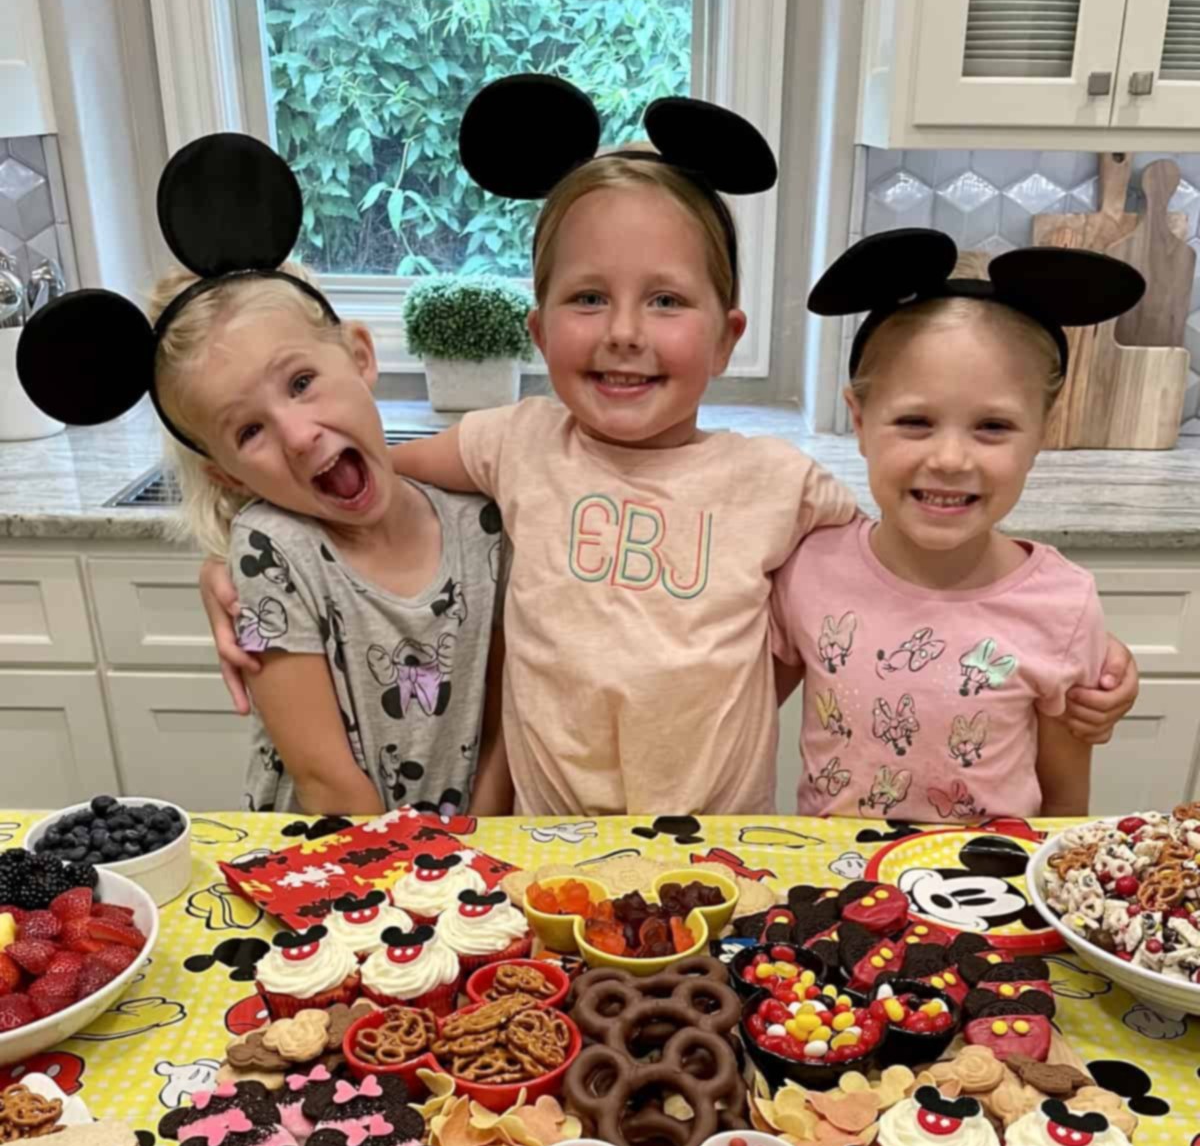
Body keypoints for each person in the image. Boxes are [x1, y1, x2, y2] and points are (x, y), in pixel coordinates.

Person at [199, 82, 1139, 815]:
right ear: (538, 329)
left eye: (665, 300)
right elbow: (356, 476)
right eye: (588, 297)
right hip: (545, 848)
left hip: (722, 864)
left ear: (727, 338)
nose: (623, 332)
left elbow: (913, 567)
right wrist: (241, 546)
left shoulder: (780, 484)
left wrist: (1063, 642)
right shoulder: (513, 442)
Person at [14, 132, 509, 820]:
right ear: (228, 476)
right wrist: (431, 871)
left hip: (472, 860)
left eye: (301, 382)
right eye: (250, 431)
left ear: (360, 354)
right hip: (334, 858)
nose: (299, 436)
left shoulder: (485, 521)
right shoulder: (271, 550)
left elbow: (503, 734)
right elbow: (325, 779)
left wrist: (476, 848)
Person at [771, 229, 1145, 821]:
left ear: (1041, 433)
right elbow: (737, 716)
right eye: (915, 422)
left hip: (990, 875)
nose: (949, 459)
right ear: (860, 422)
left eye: (992, 426)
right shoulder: (810, 570)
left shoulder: (1064, 604)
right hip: (830, 870)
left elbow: (1066, 805)